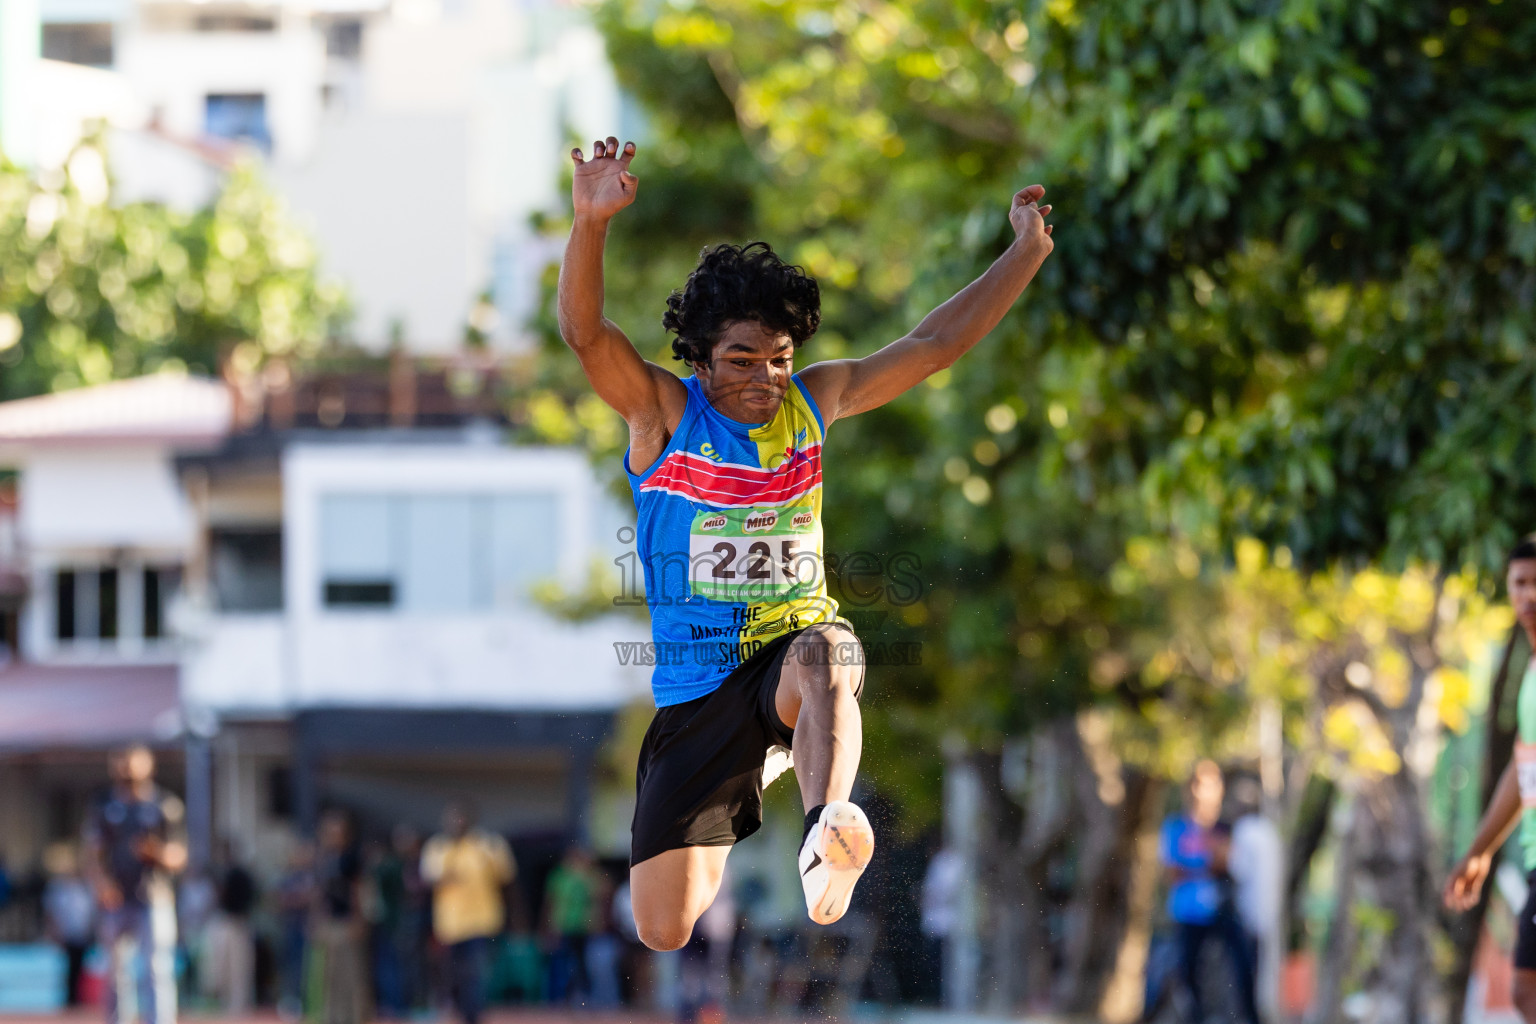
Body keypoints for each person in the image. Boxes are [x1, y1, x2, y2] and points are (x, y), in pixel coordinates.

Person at [557, 136, 1055, 951]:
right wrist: (590, 224)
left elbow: (933, 348)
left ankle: (827, 833)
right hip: (701, 692)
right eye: (741, 360)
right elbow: (585, 335)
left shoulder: (813, 404)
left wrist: (1024, 251)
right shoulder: (665, 417)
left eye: (779, 360)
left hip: (795, 649)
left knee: (828, 656)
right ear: (701, 361)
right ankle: (750, 782)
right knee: (663, 928)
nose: (763, 378)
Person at [1446, 537, 1536, 1021]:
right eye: (1521, 583)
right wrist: (1478, 849)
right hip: (1532, 856)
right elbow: (1523, 773)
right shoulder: (1531, 676)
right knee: (1524, 989)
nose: (1530, 595)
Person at [83, 744, 187, 1024]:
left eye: (133, 763)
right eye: (121, 763)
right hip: (116, 900)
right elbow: (93, 854)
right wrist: (102, 884)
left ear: (148, 766)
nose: (127, 769)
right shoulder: (105, 807)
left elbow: (180, 855)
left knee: (156, 969)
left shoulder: (164, 805)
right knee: (116, 972)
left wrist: (158, 854)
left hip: (153, 898)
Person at [1158, 759, 1258, 1024]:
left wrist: (1201, 863)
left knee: (1243, 964)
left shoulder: (1226, 827)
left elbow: (1229, 864)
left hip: (1223, 909)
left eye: (1211, 784)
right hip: (1188, 911)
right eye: (1199, 784)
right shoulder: (1176, 827)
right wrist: (1209, 862)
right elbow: (1172, 872)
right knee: (1187, 972)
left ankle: (1250, 1017)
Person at [420, 802, 515, 1024]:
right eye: (452, 819)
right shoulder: (438, 847)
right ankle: (459, 1012)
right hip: (450, 924)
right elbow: (428, 878)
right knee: (453, 975)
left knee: (477, 973)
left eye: (461, 819)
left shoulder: (488, 844)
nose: (456, 824)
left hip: (482, 921)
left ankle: (473, 1017)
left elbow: (507, 879)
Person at [1227, 776, 1283, 1018]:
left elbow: (1237, 870)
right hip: (1268, 913)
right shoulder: (1268, 831)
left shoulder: (1244, 831)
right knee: (1258, 971)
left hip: (1248, 913)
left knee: (1245, 973)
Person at [313, 809, 368, 1024]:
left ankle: (354, 1017)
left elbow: (359, 890)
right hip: (329, 922)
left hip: (346, 922)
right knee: (329, 975)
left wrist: (358, 919)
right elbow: (319, 892)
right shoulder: (325, 859)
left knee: (351, 975)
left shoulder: (351, 858)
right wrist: (316, 919)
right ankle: (331, 1016)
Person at [200, 839, 258, 1015]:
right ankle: (218, 1000)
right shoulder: (217, 873)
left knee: (239, 966)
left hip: (238, 921)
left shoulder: (241, 874)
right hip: (222, 921)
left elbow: (251, 897)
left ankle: (238, 1003)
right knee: (218, 965)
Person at [42, 843, 95, 1007]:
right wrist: (54, 931)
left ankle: (78, 998)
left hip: (82, 934)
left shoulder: (86, 887)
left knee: (81, 967)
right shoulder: (58, 888)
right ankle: (70, 999)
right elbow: (51, 911)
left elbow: (91, 911)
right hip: (67, 934)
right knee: (69, 968)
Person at [543, 846, 598, 1003]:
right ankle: (561, 996)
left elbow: (597, 898)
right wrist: (547, 927)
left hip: (582, 926)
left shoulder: (588, 877)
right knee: (562, 962)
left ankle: (584, 995)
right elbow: (550, 903)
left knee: (582, 961)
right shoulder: (559, 877)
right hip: (562, 925)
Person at [275, 840, 317, 1021]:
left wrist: (298, 899)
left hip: (307, 928)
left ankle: (307, 1002)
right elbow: (278, 900)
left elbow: (313, 899)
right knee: (290, 965)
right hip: (290, 927)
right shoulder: (288, 877)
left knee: (306, 966)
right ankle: (291, 1001)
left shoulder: (312, 876)